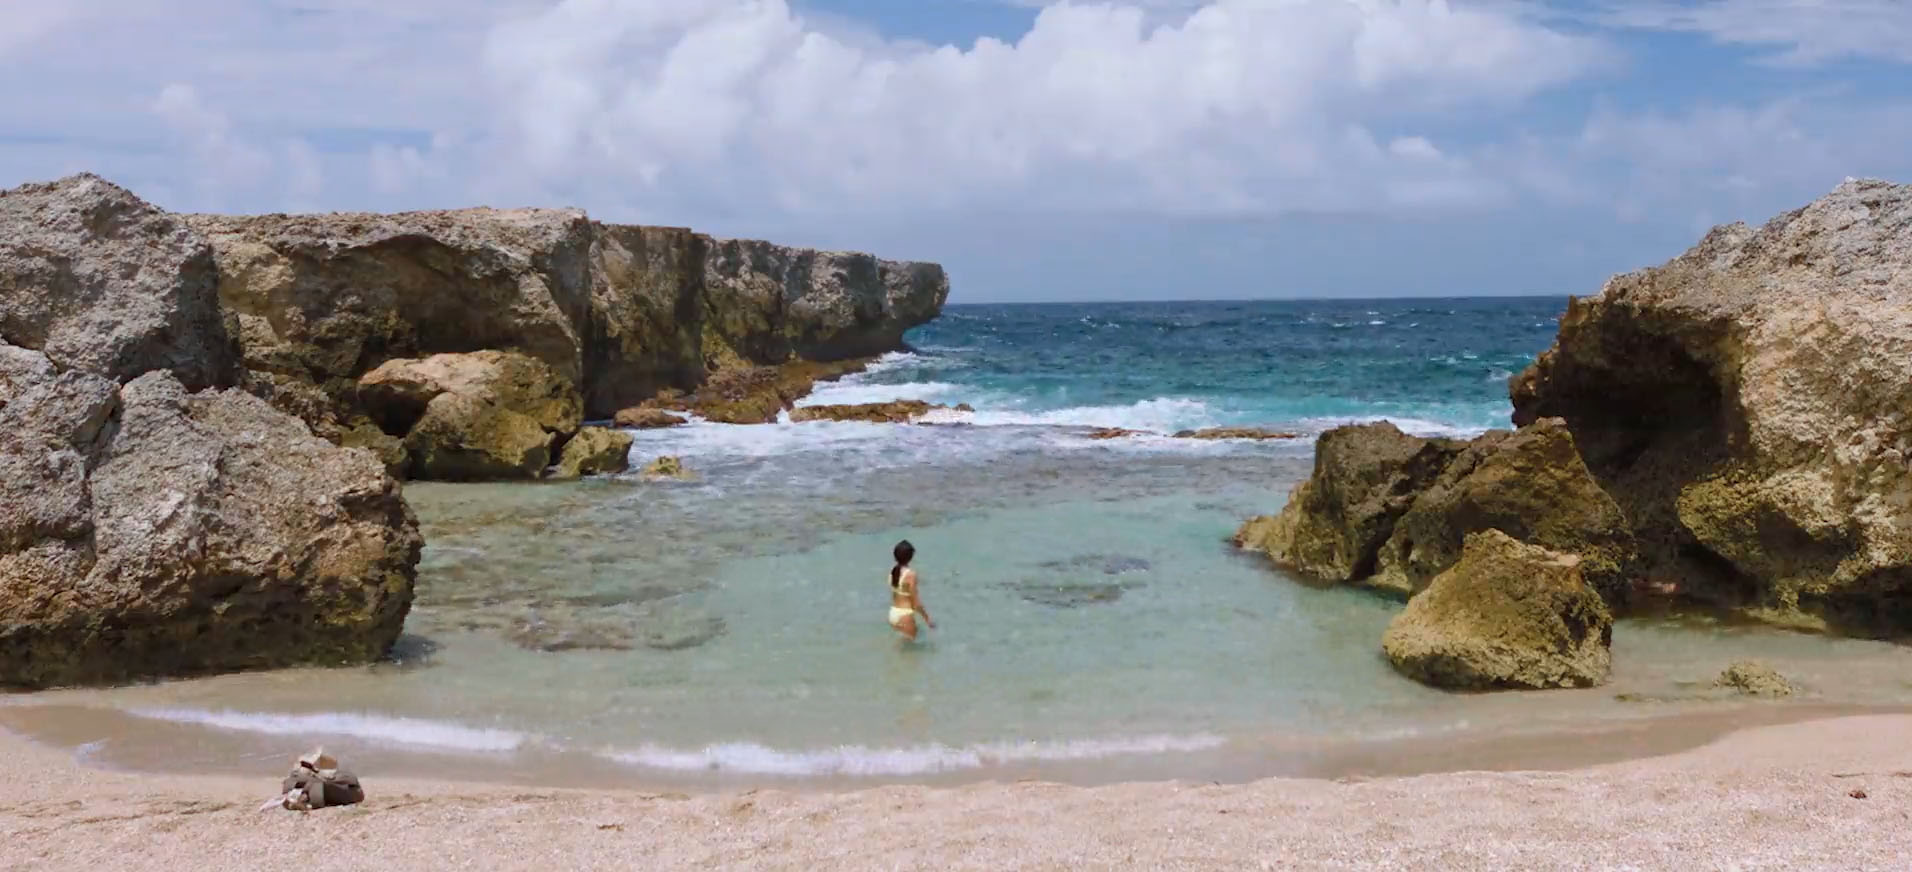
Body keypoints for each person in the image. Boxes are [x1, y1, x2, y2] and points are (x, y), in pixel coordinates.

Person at [886, 540, 935, 641]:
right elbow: (916, 602)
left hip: (893, 613)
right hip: (905, 615)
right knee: (912, 655)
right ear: (910, 557)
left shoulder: (893, 571)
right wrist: (927, 619)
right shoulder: (911, 575)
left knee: (901, 650)